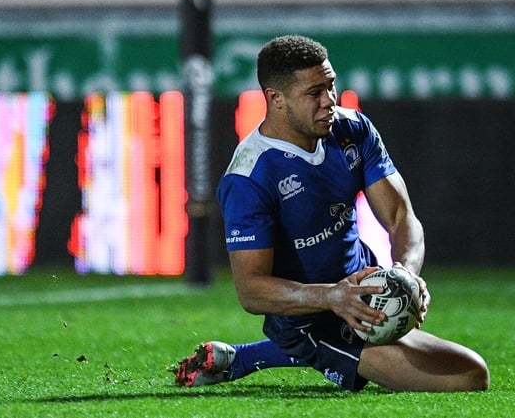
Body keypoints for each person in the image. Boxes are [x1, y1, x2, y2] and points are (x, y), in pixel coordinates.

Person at [174, 35, 489, 392]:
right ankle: (280, 353)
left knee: (475, 369)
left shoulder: (352, 129)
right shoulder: (249, 176)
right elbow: (251, 291)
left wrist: (406, 274)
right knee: (465, 381)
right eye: (314, 93)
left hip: (365, 297)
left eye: (331, 86)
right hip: (307, 320)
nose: (329, 101)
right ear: (276, 99)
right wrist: (331, 297)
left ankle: (239, 358)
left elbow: (402, 219)